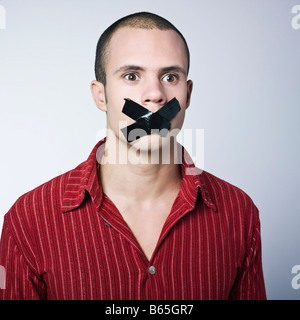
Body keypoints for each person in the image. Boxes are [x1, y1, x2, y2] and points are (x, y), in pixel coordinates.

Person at [0, 12, 266, 300]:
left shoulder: (239, 213)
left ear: (187, 95)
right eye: (131, 76)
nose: (155, 95)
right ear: (100, 95)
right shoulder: (29, 219)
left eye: (170, 76)